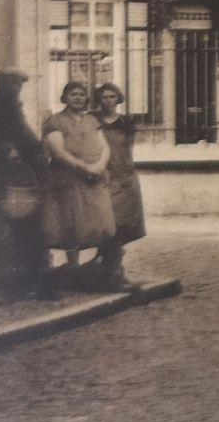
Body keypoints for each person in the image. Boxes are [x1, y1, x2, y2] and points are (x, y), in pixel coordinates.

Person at [0, 68, 52, 298]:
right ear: (1, 85)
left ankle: (36, 281)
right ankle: (26, 283)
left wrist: (39, 149)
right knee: (22, 230)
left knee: (34, 229)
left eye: (17, 85)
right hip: (12, 178)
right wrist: (9, 149)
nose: (14, 88)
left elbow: (27, 136)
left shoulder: (14, 109)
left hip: (29, 176)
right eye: (10, 84)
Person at [41, 81, 116, 287]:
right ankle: (72, 268)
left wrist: (99, 166)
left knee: (98, 221)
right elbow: (58, 152)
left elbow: (105, 147)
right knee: (70, 221)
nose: (78, 98)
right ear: (64, 97)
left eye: (82, 95)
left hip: (94, 178)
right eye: (73, 94)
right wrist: (85, 167)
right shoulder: (54, 121)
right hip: (67, 178)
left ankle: (96, 269)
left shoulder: (92, 120)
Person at [93, 82, 145, 290]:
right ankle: (110, 272)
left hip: (124, 177)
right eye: (104, 97)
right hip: (103, 177)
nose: (108, 101)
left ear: (118, 99)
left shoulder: (126, 122)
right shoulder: (93, 120)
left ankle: (114, 270)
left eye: (112, 97)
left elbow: (128, 150)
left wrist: (128, 174)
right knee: (107, 225)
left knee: (123, 226)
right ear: (99, 100)